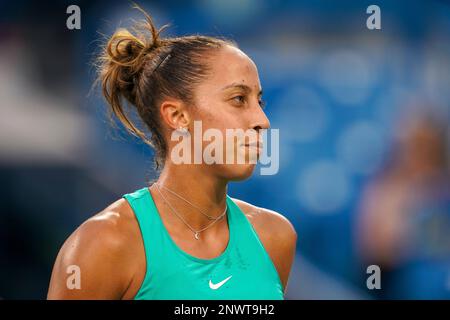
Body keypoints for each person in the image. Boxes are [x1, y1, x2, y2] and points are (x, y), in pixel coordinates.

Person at [47, 6, 297, 300]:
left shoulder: (274, 237)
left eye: (259, 101)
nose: (262, 121)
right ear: (177, 116)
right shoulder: (104, 244)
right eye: (239, 99)